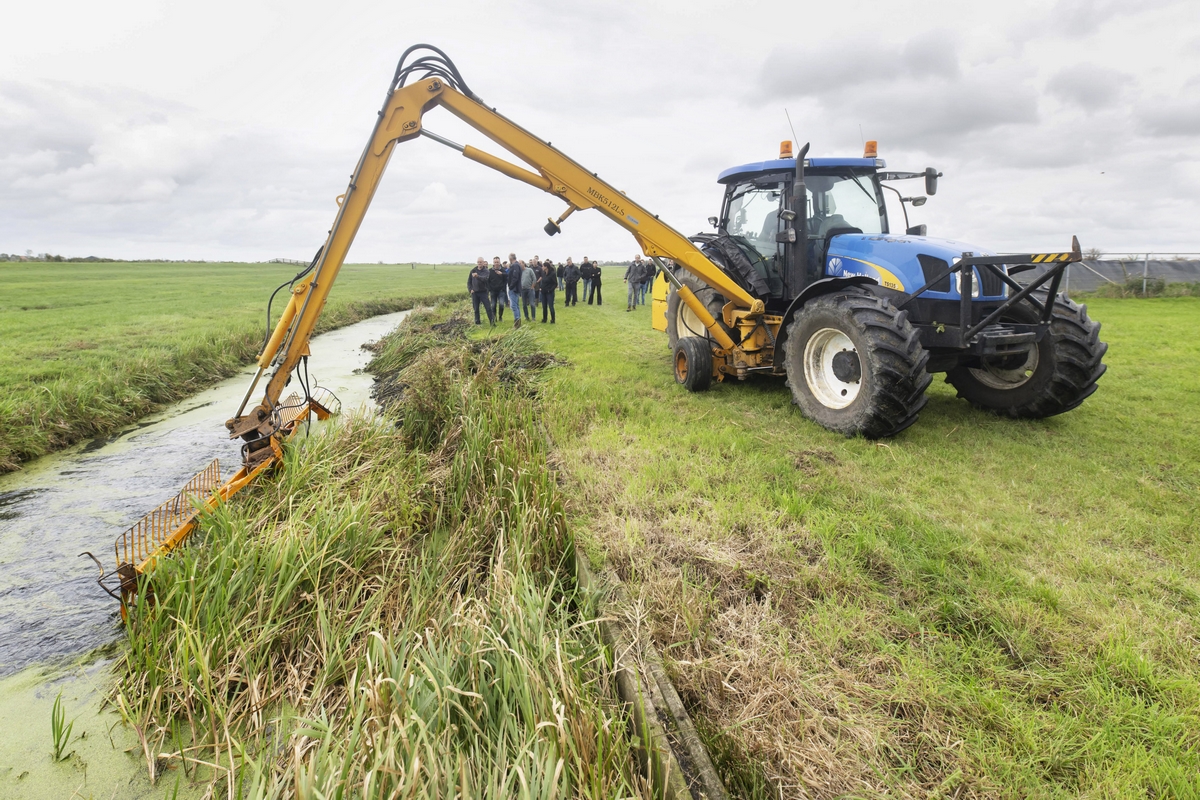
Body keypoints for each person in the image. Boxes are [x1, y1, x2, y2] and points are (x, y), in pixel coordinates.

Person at [468, 257, 495, 326]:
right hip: (475, 292)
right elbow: (469, 281)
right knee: (476, 308)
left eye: (480, 262)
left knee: (488, 308)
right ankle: (478, 323)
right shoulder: (473, 270)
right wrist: (470, 289)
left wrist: (477, 276)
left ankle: (492, 322)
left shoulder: (486, 271)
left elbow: (485, 279)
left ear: (483, 263)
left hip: (483, 292)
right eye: (478, 262)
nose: (479, 263)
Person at [506, 253, 524, 329]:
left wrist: (511, 286)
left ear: (510, 258)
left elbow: (515, 277)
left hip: (514, 288)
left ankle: (517, 323)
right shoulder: (517, 265)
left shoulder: (515, 265)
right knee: (516, 305)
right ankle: (518, 322)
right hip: (516, 288)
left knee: (514, 306)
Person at [488, 256, 508, 322]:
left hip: (501, 291)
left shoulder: (503, 270)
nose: (496, 263)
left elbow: (506, 279)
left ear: (499, 263)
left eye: (497, 262)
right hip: (493, 291)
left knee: (501, 304)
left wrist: (502, 274)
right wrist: (490, 289)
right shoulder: (490, 271)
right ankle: (494, 317)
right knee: (493, 305)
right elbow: (487, 281)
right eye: (495, 262)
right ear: (493, 263)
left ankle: (500, 317)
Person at [520, 255, 538, 321]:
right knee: (524, 305)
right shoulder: (519, 272)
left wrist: (532, 286)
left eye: (520, 263)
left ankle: (533, 317)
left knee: (532, 304)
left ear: (523, 264)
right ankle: (526, 317)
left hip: (530, 289)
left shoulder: (529, 270)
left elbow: (534, 278)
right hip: (523, 290)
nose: (519, 265)